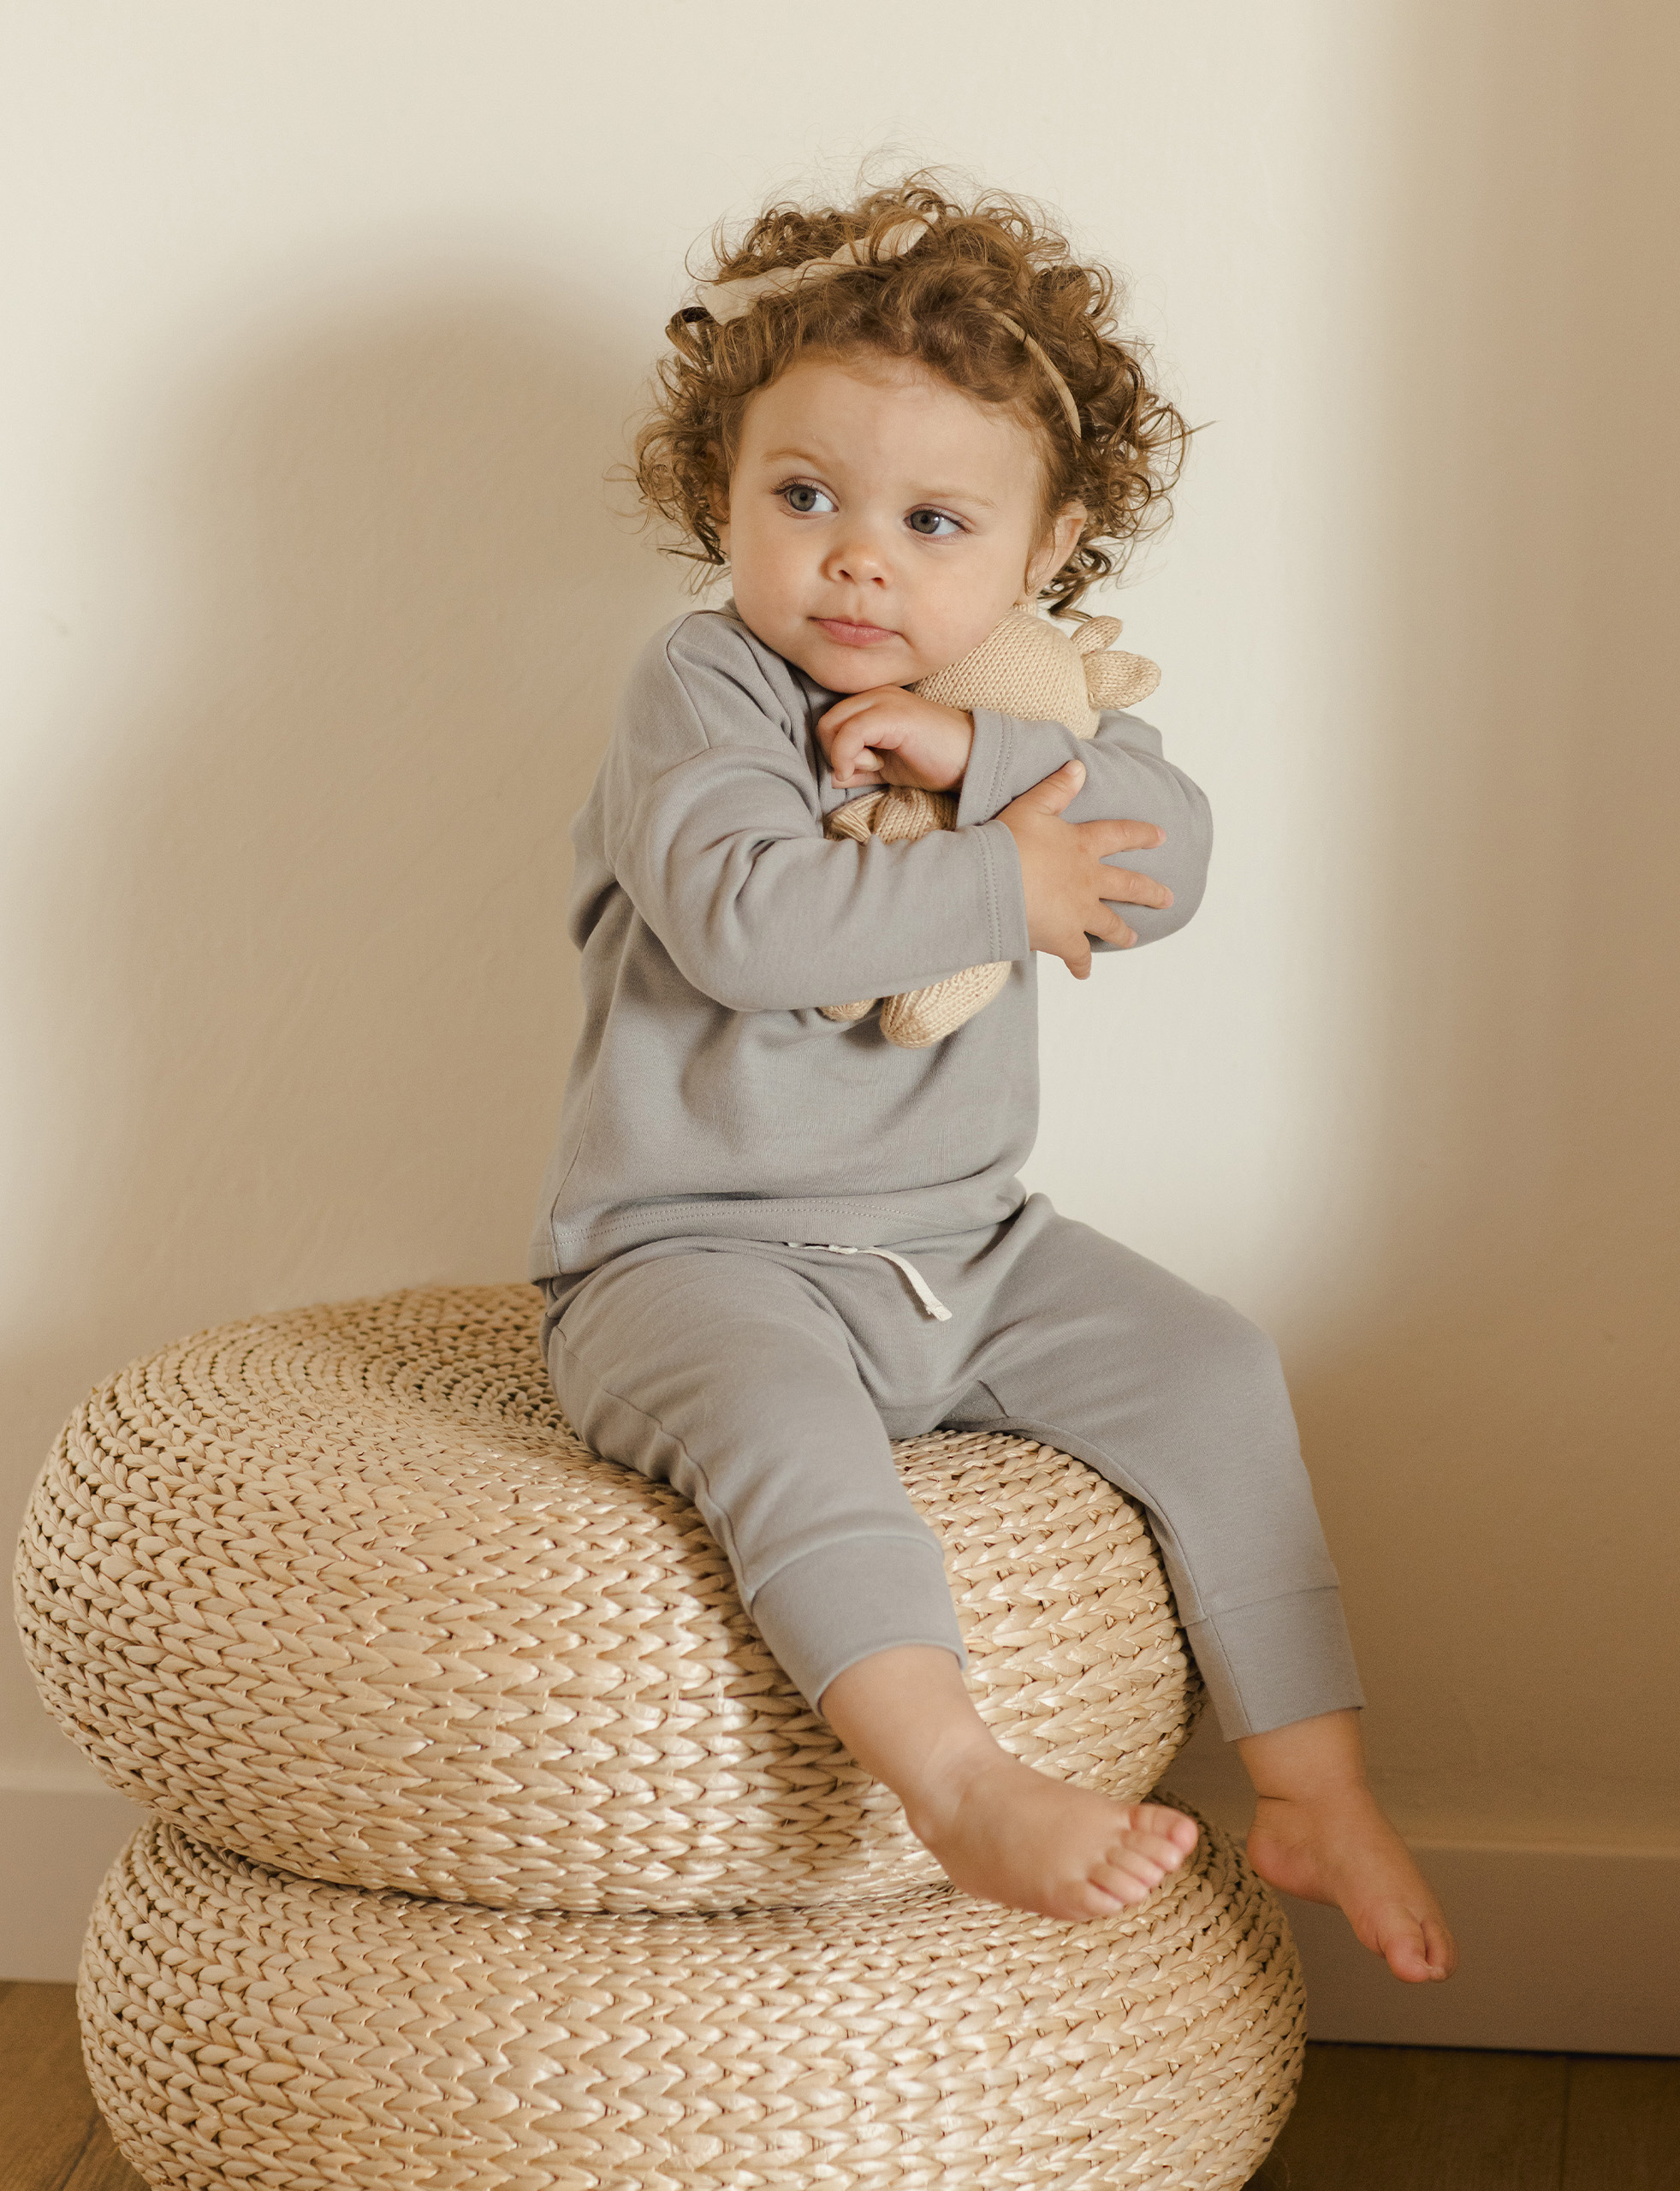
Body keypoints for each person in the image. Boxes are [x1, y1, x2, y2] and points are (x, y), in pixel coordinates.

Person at [531, 175, 1455, 1983]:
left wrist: (985, 761)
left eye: (932, 517)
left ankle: (1314, 1776)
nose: (857, 556)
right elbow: (742, 916)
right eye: (803, 497)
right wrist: (998, 873)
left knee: (1213, 1362)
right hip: (685, 1259)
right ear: (721, 488)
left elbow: (1165, 857)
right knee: (789, 1439)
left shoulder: (1030, 706)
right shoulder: (702, 691)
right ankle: (953, 1775)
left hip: (967, 1239)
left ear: (1045, 547)